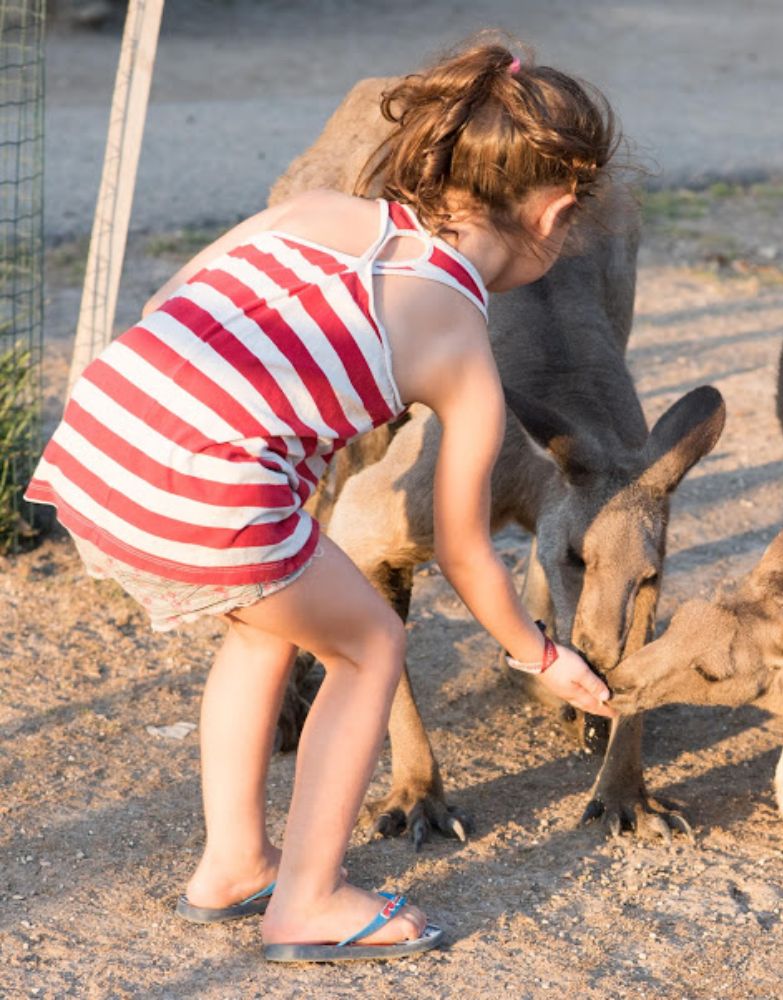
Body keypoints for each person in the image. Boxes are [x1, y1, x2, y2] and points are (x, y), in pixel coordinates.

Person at [25, 37, 619, 963]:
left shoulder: (314, 210)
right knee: (368, 642)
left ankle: (233, 863)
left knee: (266, 624)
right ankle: (308, 900)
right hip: (203, 493)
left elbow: (168, 304)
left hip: (100, 438)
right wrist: (538, 654)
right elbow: (464, 552)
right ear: (554, 209)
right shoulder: (459, 340)